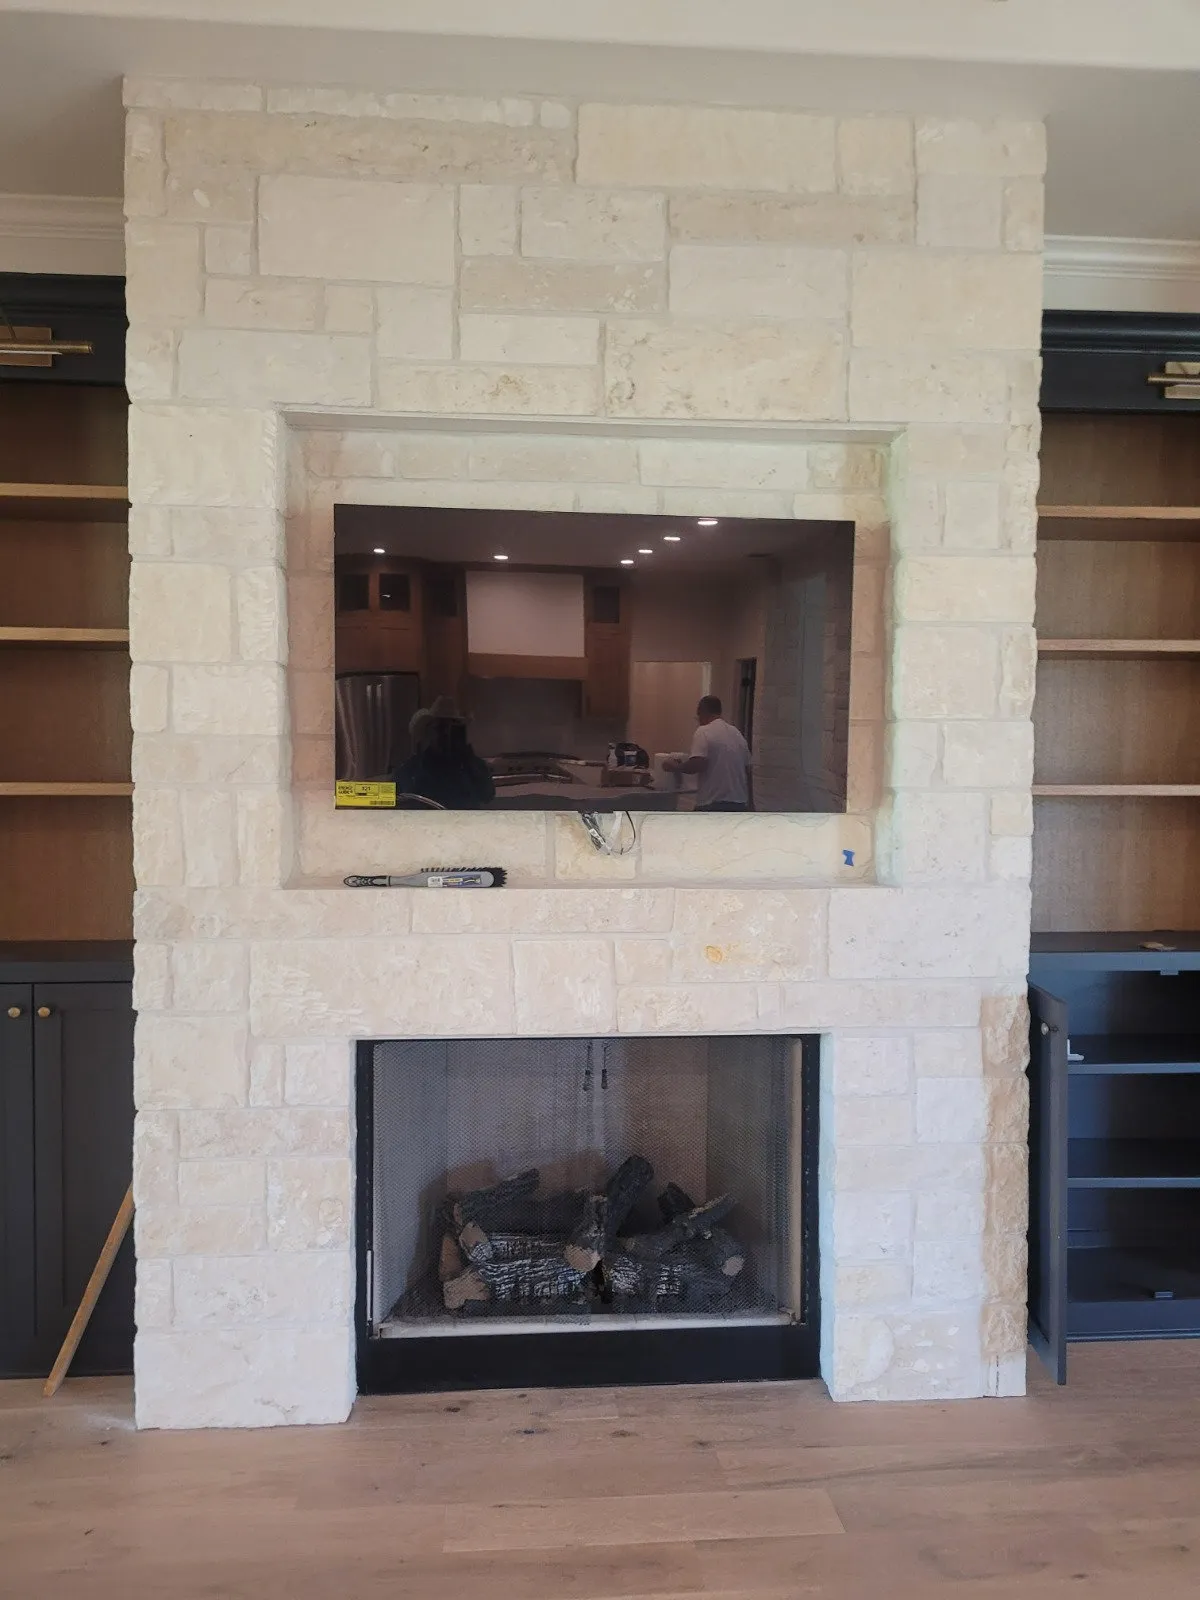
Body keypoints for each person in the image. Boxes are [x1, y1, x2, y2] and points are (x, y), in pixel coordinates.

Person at [664, 696, 753, 812]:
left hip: (712, 804)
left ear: (702, 712)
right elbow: (748, 770)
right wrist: (751, 804)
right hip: (739, 804)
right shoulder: (737, 734)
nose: (699, 720)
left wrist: (675, 767)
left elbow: (698, 764)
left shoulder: (704, 731)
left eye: (698, 717)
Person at [394, 714, 495, 810]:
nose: (446, 733)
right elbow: (389, 799)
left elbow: (488, 796)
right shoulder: (413, 767)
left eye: (453, 729)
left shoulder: (473, 765)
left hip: (468, 822)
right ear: (428, 732)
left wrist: (470, 761)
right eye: (440, 727)